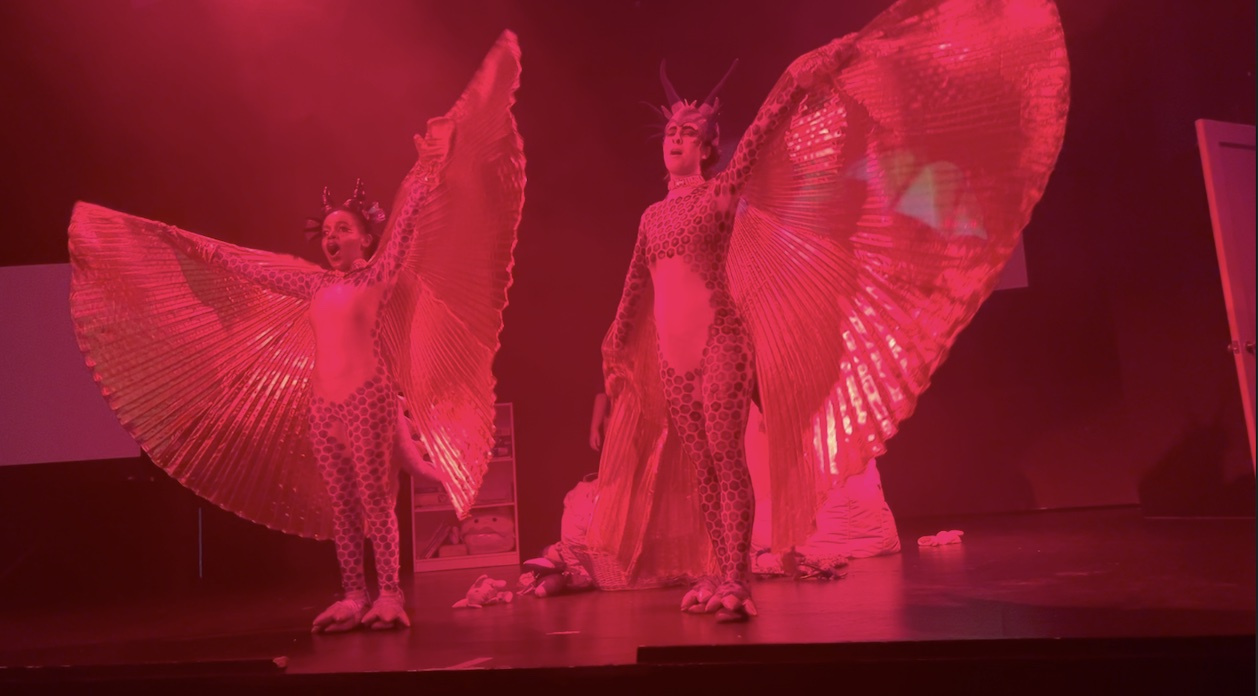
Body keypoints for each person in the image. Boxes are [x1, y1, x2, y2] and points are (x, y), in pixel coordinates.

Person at [591, 0, 1070, 623]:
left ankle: (735, 576)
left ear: (707, 147)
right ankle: (715, 569)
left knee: (727, 459)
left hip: (719, 341)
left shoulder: (720, 193)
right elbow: (632, 297)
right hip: (671, 357)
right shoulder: (651, 218)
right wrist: (611, 368)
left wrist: (796, 77)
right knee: (700, 468)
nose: (675, 138)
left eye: (688, 133)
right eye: (669, 132)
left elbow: (759, 136)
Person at [68, 31, 525, 632]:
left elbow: (408, 221)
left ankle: (390, 594)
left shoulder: (378, 275)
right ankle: (353, 594)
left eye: (343, 230)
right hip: (323, 406)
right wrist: (182, 245)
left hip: (368, 400)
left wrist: (430, 165)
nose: (332, 238)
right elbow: (244, 266)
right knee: (343, 508)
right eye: (327, 232)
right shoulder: (313, 286)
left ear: (365, 237)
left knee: (376, 502)